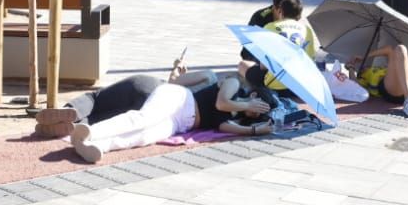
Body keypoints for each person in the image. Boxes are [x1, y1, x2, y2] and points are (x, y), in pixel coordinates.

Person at [68, 66, 275, 162]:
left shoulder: (233, 117)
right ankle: (91, 132)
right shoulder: (233, 84)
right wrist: (247, 104)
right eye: (260, 107)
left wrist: (255, 130)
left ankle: (94, 146)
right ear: (254, 94)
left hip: (181, 123)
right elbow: (222, 103)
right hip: (179, 99)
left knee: (144, 137)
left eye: (260, 113)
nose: (256, 113)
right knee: (142, 119)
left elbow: (225, 127)